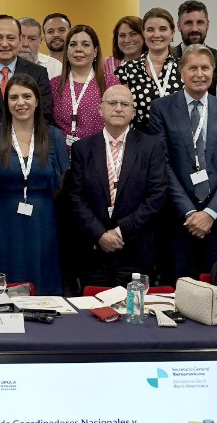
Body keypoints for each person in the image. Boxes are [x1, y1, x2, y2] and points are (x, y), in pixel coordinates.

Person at [151, 45, 217, 280]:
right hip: (178, 219)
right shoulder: (161, 109)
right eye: (192, 68)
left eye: (205, 68)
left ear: (213, 72)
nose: (199, 74)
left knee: (216, 294)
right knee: (175, 291)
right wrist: (191, 212)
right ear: (181, 72)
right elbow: (163, 165)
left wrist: (210, 213)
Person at [67, 85, 168, 289]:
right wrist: (100, 234)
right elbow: (76, 197)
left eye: (125, 104)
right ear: (100, 109)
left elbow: (156, 196)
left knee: (133, 314)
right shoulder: (83, 148)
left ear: (134, 112)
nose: (118, 108)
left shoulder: (151, 146)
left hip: (135, 249)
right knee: (93, 313)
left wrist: (121, 231)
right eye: (112, 103)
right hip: (94, 250)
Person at [0, 74, 70, 294]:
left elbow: (61, 180)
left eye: (26, 96)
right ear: (6, 102)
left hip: (43, 219)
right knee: (4, 278)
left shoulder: (54, 136)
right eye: (13, 97)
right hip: (2, 219)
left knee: (42, 277)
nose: (20, 103)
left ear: (37, 100)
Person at [50, 25, 119, 145]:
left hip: (98, 153)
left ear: (95, 51)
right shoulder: (54, 84)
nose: (78, 49)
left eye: (85, 44)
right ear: (66, 51)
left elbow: (118, 122)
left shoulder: (110, 83)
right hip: (61, 155)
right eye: (73, 44)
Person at [116, 7, 183, 133]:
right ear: (144, 33)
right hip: (140, 145)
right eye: (150, 30)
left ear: (173, 32)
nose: (156, 35)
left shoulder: (185, 68)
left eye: (163, 29)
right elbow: (122, 113)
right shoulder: (126, 71)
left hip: (178, 145)